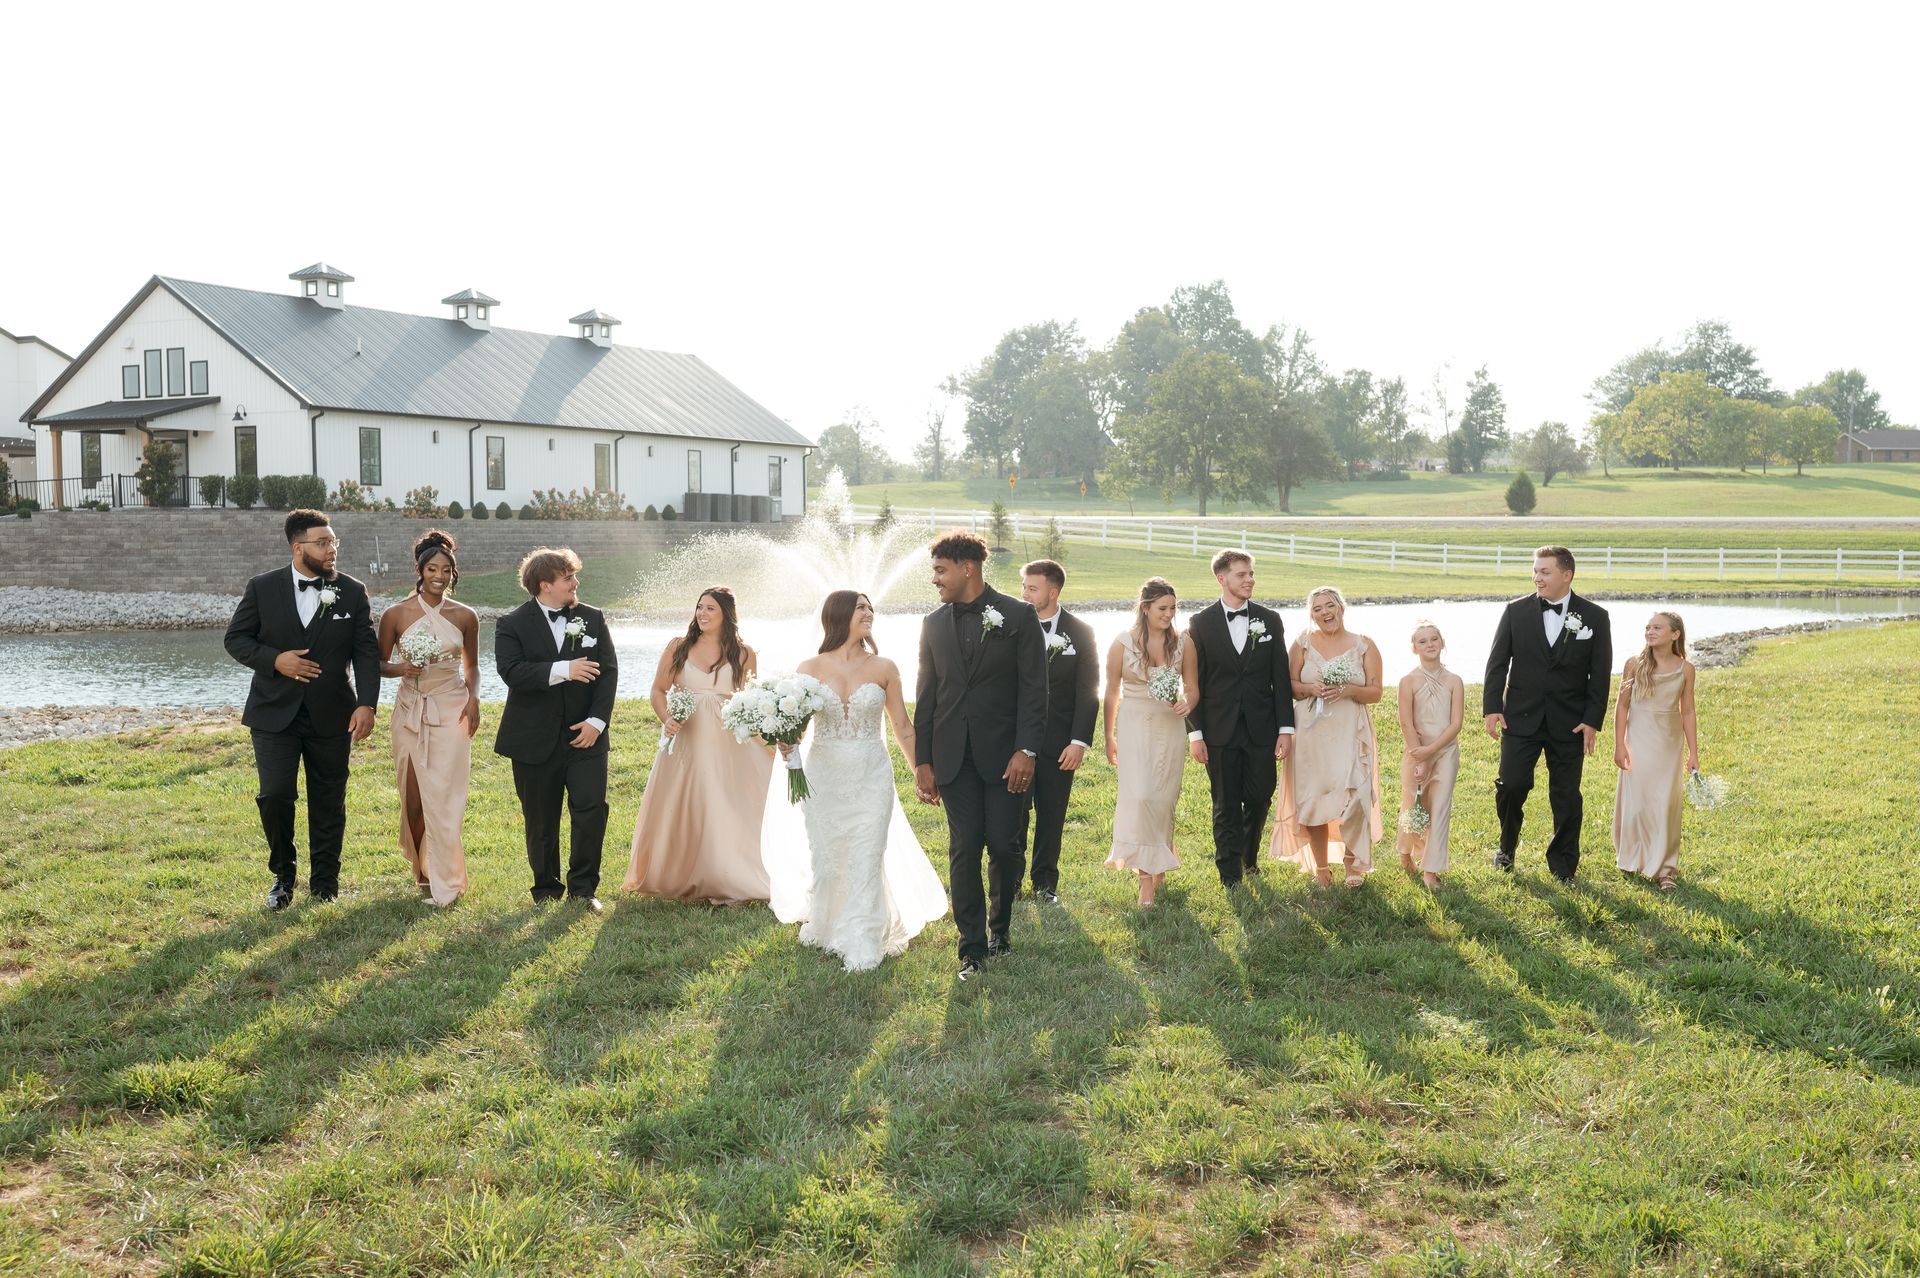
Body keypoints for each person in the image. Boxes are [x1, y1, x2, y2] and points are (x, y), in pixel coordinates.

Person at [764, 591, 949, 970]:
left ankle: (864, 938)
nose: (869, 613)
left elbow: (902, 728)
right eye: (861, 607)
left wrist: (922, 772)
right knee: (828, 858)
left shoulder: (884, 667)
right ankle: (827, 922)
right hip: (823, 776)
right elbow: (795, 729)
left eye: (870, 608)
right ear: (839, 615)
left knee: (867, 854)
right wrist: (783, 740)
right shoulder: (810, 667)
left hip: (870, 775)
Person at [223, 509, 378, 909]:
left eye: (334, 542)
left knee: (328, 799)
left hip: (334, 714)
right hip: (274, 714)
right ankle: (282, 875)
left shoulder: (352, 591)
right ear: (298, 547)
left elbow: (364, 652)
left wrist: (367, 704)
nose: (332, 550)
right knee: (275, 795)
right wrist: (276, 660)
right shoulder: (262, 588)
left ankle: (325, 883)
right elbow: (236, 639)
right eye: (323, 543)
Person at [913, 531, 1047, 982]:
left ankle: (1000, 931)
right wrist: (923, 761)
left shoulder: (1019, 615)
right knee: (964, 846)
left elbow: (1034, 691)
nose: (935, 580)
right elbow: (927, 696)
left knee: (1006, 847)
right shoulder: (932, 624)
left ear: (967, 567)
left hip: (1006, 757)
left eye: (940, 570)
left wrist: (1026, 750)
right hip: (953, 759)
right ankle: (970, 947)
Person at [622, 587, 775, 904]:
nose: (702, 614)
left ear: (726, 616)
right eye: (699, 607)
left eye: (710, 609)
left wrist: (771, 737)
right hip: (689, 739)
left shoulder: (744, 654)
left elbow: (752, 701)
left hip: (731, 742)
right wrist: (667, 718)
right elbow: (658, 690)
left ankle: (730, 874)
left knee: (727, 803)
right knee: (692, 801)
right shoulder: (678, 647)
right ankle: (684, 873)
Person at [494, 548, 618, 909]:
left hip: (587, 737)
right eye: (568, 578)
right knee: (540, 819)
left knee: (591, 811)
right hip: (533, 740)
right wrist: (564, 668)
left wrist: (597, 722)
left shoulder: (592, 618)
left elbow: (608, 672)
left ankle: (583, 890)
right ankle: (546, 890)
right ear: (545, 585)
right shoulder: (511, 624)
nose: (576, 583)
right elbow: (512, 673)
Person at [1484, 545, 1613, 882]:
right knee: (1511, 785)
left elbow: (1599, 674)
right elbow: (1497, 664)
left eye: (1545, 571)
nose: (1537, 577)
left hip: (1569, 722)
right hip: (1520, 717)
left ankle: (1563, 865)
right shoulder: (1515, 611)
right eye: (1535, 571)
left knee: (1567, 794)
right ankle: (1506, 848)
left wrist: (1592, 720)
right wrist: (1492, 707)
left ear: (1566, 574)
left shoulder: (1595, 617)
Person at [377, 529, 479, 907]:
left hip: (452, 708)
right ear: (419, 570)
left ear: (454, 573)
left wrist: (475, 700)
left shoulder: (465, 616)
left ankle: (447, 878)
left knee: (447, 796)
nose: (439, 575)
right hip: (410, 712)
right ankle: (421, 872)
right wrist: (403, 668)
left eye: (446, 570)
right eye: (432, 568)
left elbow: (472, 667)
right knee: (414, 797)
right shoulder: (395, 614)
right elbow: (377, 664)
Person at [1180, 550, 1294, 888]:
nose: (1249, 580)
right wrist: (1195, 733)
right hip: (1218, 729)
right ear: (1222, 578)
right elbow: (1193, 683)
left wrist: (1285, 728)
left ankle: (1248, 856)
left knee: (1260, 795)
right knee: (1225, 803)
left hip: (1262, 727)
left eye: (1251, 574)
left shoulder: (1270, 620)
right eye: (1242, 574)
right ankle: (1230, 874)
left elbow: (1281, 679)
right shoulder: (1200, 624)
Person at [1273, 586, 1383, 887]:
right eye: (1318, 608)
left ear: (1341, 608)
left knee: (1357, 797)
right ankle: (1321, 869)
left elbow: (1375, 692)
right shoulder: (1302, 644)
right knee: (1314, 800)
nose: (1325, 612)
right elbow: (1289, 686)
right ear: (1312, 615)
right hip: (1311, 734)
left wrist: (1348, 690)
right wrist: (1310, 689)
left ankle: (1352, 863)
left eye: (1330, 605)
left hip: (1350, 731)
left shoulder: (1365, 645)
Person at [1103, 578, 1188, 907]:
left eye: (1173, 608)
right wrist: (1108, 736)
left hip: (1169, 726)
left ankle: (1160, 857)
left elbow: (1192, 687)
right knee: (1139, 797)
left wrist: (1188, 702)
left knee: (1162, 799)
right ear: (1145, 608)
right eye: (1162, 609)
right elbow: (1111, 692)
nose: (1169, 615)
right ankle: (1145, 882)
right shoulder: (1122, 643)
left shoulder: (1183, 643)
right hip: (1134, 723)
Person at [1019, 558, 1098, 905]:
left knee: (1052, 816)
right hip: (1016, 743)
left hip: (1060, 743)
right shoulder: (1011, 627)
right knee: (1013, 815)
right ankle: (1008, 879)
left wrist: (1078, 741)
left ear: (1052, 591)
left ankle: (1045, 883)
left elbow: (1088, 690)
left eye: (1031, 588)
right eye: (1023, 586)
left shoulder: (1081, 632)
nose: (1024, 593)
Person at [1612, 611, 1699, 890]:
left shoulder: (1685, 669)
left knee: (1665, 803)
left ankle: (1665, 869)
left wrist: (1693, 752)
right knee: (1637, 802)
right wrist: (1620, 743)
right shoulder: (1634, 665)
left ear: (1675, 634)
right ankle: (1632, 857)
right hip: (1638, 740)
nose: (1650, 632)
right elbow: (1622, 706)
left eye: (1657, 628)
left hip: (1668, 743)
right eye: (1648, 627)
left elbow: (1687, 712)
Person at [1395, 621, 1464, 891]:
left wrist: (1432, 751)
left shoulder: (1454, 681)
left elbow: (1456, 723)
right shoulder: (1407, 681)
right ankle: (1405, 850)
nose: (1430, 644)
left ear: (1442, 643)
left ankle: (1431, 869)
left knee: (1440, 808)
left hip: (1445, 752)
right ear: (1414, 648)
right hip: (1416, 750)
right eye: (1422, 641)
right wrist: (1420, 756)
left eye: (1434, 639)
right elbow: (1406, 723)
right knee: (1413, 805)